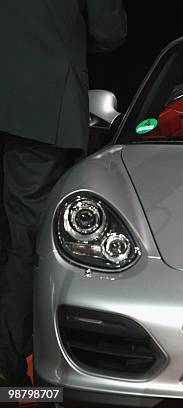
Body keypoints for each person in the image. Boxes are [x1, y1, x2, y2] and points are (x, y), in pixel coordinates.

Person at [0, 0, 127, 386]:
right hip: (42, 109)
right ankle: (8, 368)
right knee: (27, 241)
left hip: (22, 104)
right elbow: (109, 32)